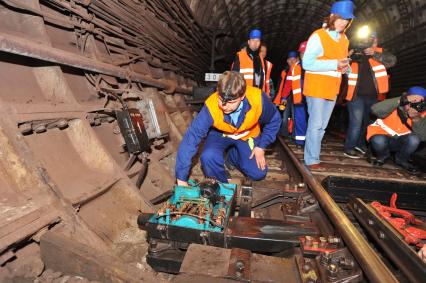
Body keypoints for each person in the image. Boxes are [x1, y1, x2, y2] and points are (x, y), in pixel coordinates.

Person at [175, 71, 281, 185]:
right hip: (220, 134)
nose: (224, 106)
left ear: (242, 96)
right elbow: (191, 138)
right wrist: (181, 178)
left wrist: (261, 146)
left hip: (247, 135)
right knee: (208, 157)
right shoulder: (211, 106)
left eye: (231, 102)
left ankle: (233, 157)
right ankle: (221, 183)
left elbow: (274, 120)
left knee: (258, 173)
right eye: (221, 100)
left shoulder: (258, 99)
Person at [302, 0, 354, 170]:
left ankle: (314, 155)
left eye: (347, 20)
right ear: (332, 17)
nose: (343, 23)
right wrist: (335, 64)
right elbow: (307, 64)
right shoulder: (318, 36)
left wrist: (346, 68)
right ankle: (311, 159)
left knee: (323, 126)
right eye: (341, 19)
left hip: (332, 88)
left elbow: (340, 62)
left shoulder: (344, 39)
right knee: (316, 124)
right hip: (316, 87)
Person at [343, 32, 396, 158]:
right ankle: (349, 148)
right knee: (356, 123)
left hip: (374, 97)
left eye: (371, 39)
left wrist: (375, 53)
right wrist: (348, 55)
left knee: (369, 124)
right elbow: (342, 67)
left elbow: (392, 61)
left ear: (376, 40)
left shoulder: (381, 52)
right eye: (367, 39)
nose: (369, 41)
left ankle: (360, 145)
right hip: (355, 96)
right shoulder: (356, 52)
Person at [367, 86, 426, 175]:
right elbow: (374, 110)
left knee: (414, 140)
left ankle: (401, 160)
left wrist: (416, 119)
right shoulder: (394, 104)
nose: (415, 104)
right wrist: (400, 100)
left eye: (419, 101)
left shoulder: (422, 113)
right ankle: (383, 156)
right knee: (378, 140)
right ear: (406, 98)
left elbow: (422, 137)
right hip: (382, 137)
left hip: (401, 142)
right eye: (413, 100)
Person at [281, 41, 309, 146]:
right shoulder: (294, 68)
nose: (303, 55)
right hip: (299, 99)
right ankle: (300, 141)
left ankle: (310, 141)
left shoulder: (317, 65)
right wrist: (283, 97)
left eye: (305, 52)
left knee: (313, 121)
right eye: (301, 53)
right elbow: (288, 84)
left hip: (313, 98)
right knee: (299, 118)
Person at [273, 52, 299, 137]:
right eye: (290, 60)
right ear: (287, 61)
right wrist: (278, 98)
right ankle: (284, 135)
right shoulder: (284, 72)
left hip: (296, 96)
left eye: (293, 59)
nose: (291, 61)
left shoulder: (300, 70)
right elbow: (280, 86)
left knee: (296, 116)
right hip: (285, 97)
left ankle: (295, 134)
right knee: (284, 116)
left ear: (297, 60)